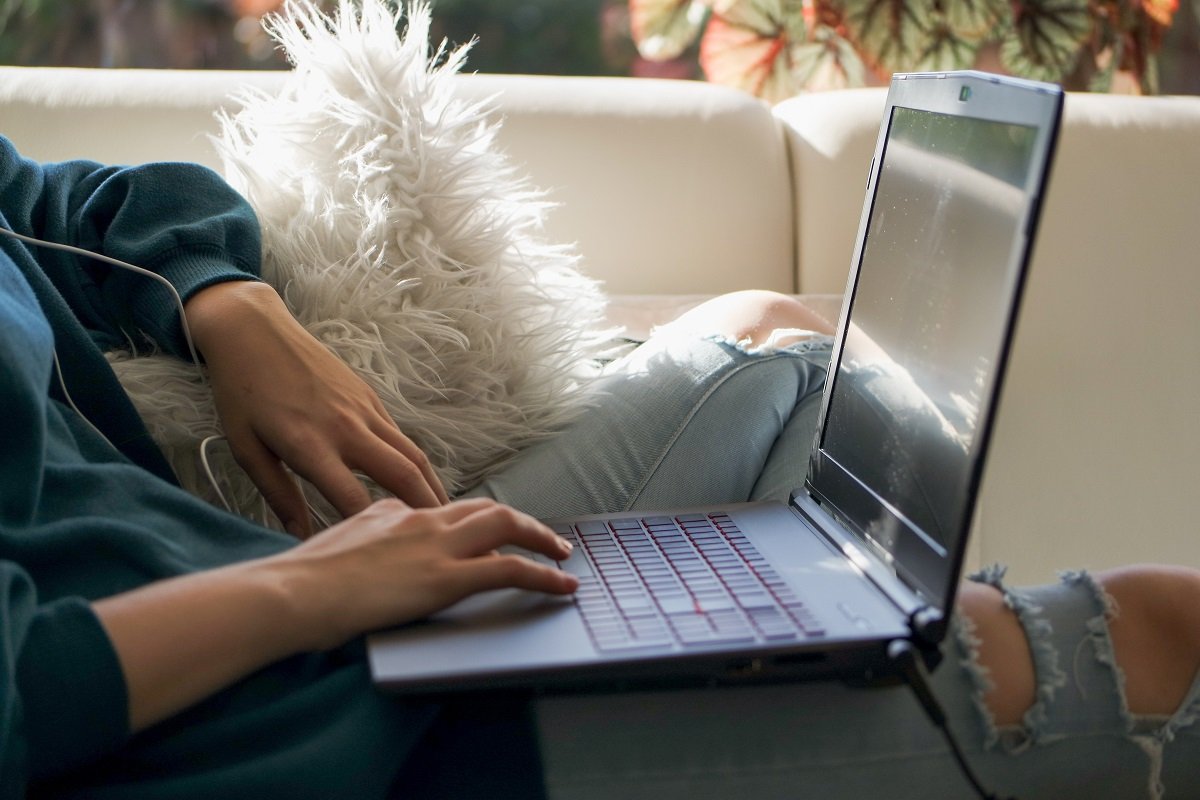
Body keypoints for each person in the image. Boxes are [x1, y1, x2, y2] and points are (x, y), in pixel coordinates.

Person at [0, 135, 1196, 799]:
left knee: (774, 333)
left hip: (293, 616)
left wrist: (230, 300)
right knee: (1167, 631)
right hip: (269, 731)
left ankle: (806, 657)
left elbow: (68, 198)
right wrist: (315, 589)